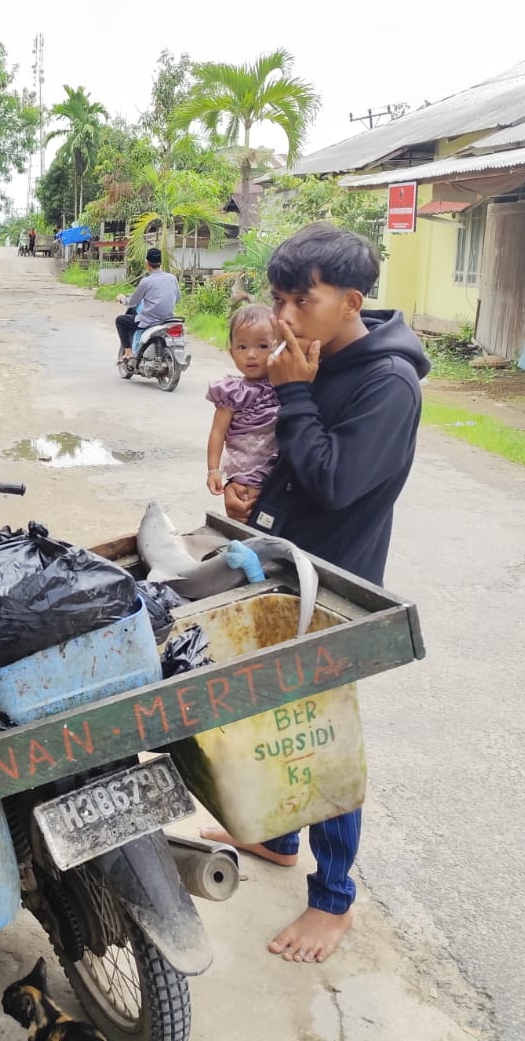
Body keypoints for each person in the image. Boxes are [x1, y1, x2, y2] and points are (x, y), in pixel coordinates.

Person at [201, 222, 429, 965]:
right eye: (278, 298)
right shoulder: (312, 356)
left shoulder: (384, 383)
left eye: (302, 299)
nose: (285, 317)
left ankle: (333, 901)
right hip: (287, 559)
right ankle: (276, 836)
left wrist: (295, 393)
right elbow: (289, 458)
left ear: (350, 300)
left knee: (321, 731)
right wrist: (252, 500)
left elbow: (333, 479)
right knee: (270, 708)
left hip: (335, 581)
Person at [204, 304, 279, 522]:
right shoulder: (232, 392)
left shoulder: (284, 384)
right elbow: (218, 432)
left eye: (263, 346)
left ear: (278, 347)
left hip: (275, 469)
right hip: (245, 472)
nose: (251, 355)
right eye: (242, 347)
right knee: (246, 516)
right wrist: (213, 470)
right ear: (231, 352)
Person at [113, 247, 178, 357]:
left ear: (147, 263)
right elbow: (177, 299)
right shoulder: (172, 278)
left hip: (149, 321)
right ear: (160, 263)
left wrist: (122, 298)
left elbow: (132, 302)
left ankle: (128, 352)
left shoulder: (146, 282)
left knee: (120, 320)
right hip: (168, 319)